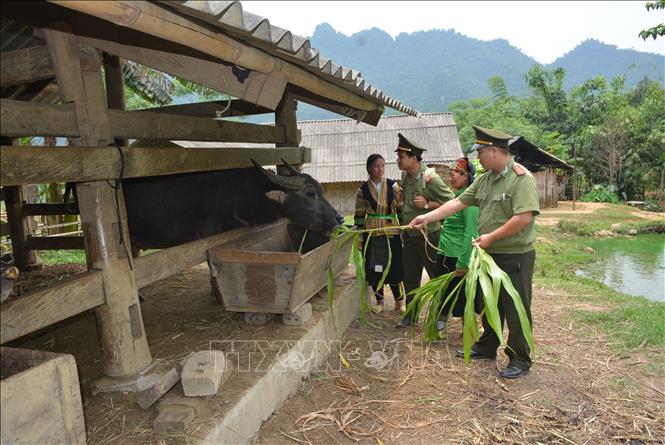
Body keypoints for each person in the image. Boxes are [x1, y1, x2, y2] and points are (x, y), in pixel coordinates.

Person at [410, 125, 540, 379]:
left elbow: (524, 218)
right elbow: (458, 202)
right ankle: (488, 345)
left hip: (516, 255)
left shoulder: (520, 178)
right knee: (490, 302)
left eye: (479, 152)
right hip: (489, 254)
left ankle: (520, 357)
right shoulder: (484, 179)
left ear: (493, 151)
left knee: (515, 305)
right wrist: (427, 216)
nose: (477, 157)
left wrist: (491, 237)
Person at [395, 133, 455, 328]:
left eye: (401, 156)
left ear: (413, 158)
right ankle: (410, 315)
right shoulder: (405, 177)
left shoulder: (431, 179)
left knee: (436, 276)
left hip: (429, 236)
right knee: (410, 277)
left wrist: (428, 204)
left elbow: (453, 201)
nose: (398, 160)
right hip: (410, 236)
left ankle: (441, 315)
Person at [354, 154, 405, 312]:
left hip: (391, 232)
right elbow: (360, 215)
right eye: (376, 166)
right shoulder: (362, 190)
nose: (380, 169)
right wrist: (360, 238)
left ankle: (399, 301)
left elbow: (401, 209)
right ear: (369, 168)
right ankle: (379, 302)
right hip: (373, 233)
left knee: (395, 265)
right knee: (375, 266)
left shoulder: (393, 186)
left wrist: (404, 230)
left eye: (382, 165)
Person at [435, 157, 480, 329]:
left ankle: (467, 334)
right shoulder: (458, 198)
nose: (451, 176)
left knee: (463, 296)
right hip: (446, 254)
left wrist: (462, 263)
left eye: (455, 174)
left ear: (465, 176)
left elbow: (471, 233)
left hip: (457, 257)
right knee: (448, 292)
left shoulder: (469, 203)